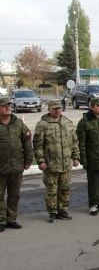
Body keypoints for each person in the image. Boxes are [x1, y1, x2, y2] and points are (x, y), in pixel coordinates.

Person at [33, 99, 80, 223]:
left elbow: (74, 141)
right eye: (54, 108)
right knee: (52, 190)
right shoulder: (42, 124)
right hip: (51, 164)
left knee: (65, 188)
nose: (57, 110)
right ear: (49, 109)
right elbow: (38, 145)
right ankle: (52, 211)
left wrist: (76, 157)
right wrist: (41, 161)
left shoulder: (68, 123)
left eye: (59, 108)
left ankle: (63, 210)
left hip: (66, 163)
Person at [0, 97, 33, 231]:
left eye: (9, 105)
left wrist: (28, 161)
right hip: (0, 168)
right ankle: (1, 221)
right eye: (4, 106)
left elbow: (27, 142)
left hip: (16, 167)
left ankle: (11, 219)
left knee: (14, 195)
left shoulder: (18, 123)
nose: (8, 107)